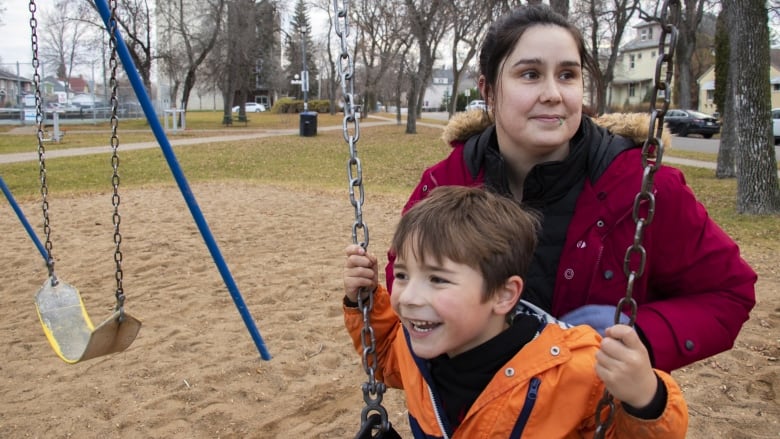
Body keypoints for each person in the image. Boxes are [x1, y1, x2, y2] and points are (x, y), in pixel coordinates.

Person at [385, 4, 756, 372]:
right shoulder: (446, 181)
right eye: (530, 74)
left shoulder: (642, 188)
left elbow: (728, 293)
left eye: (567, 75)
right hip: (471, 410)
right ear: (489, 89)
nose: (553, 94)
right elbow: (404, 276)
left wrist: (636, 335)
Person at [343, 185, 688, 438]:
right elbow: (385, 358)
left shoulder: (576, 371)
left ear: (504, 295)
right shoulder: (416, 342)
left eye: (437, 279)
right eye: (402, 274)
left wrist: (646, 398)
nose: (409, 296)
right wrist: (363, 301)